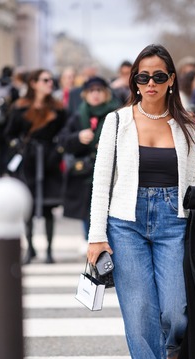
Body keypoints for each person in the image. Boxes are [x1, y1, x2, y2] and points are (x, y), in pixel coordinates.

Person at [86, 44, 195, 359]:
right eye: (142, 76)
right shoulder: (117, 121)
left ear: (171, 81)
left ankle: (170, 349)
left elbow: (194, 180)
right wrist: (96, 236)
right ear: (134, 80)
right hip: (125, 224)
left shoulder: (188, 125)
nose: (150, 83)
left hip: (174, 222)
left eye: (158, 76)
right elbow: (101, 182)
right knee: (139, 313)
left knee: (176, 311)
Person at [4, 69, 67, 264]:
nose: (50, 83)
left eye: (51, 80)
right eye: (45, 80)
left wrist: (57, 151)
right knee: (27, 206)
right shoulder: (20, 107)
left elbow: (65, 132)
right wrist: (18, 148)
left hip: (49, 160)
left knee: (48, 206)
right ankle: (30, 248)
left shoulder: (58, 108)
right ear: (33, 83)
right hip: (28, 161)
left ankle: (49, 250)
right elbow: (9, 133)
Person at [57, 76, 120, 239]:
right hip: (85, 173)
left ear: (106, 93)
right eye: (91, 91)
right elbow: (62, 140)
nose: (95, 94)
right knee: (88, 211)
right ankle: (90, 243)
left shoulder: (116, 114)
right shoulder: (79, 114)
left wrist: (108, 146)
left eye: (99, 90)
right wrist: (78, 137)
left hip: (111, 173)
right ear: (85, 94)